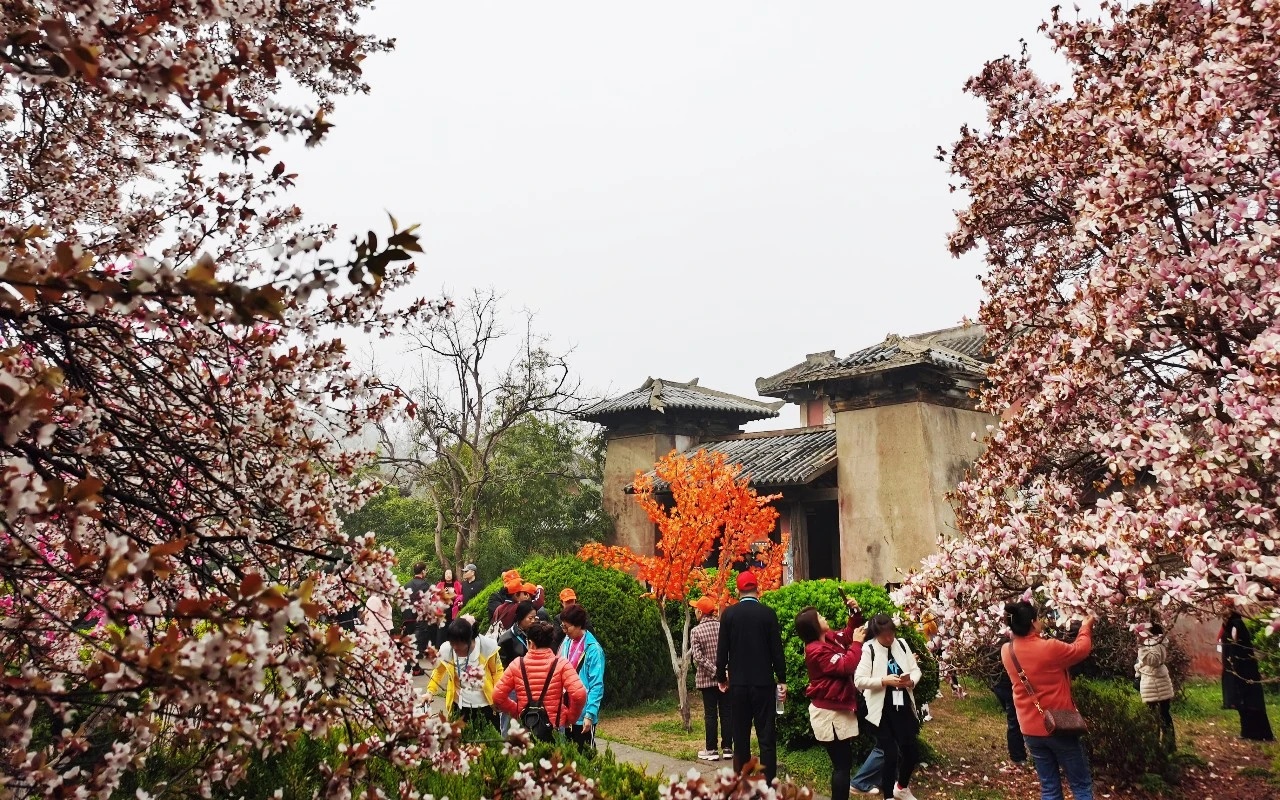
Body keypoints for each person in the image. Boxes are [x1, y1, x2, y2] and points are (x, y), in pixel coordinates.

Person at [1000, 602, 1095, 800]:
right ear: (1033, 623)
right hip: (1059, 725)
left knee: (1050, 786)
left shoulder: (1007, 651)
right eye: (1038, 618)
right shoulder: (1049, 648)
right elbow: (1081, 649)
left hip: (1030, 729)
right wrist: (1086, 626)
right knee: (1081, 784)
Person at [715, 571, 786, 783]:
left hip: (738, 684)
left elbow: (722, 651)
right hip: (763, 683)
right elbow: (777, 650)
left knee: (740, 736)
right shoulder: (768, 614)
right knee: (766, 737)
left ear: (738, 590)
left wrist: (721, 677)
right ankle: (768, 784)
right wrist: (781, 679)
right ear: (758, 589)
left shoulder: (729, 614)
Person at [797, 594, 866, 800]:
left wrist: (854, 613)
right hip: (829, 713)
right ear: (814, 627)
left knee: (843, 764)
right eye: (819, 617)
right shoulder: (816, 651)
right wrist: (857, 644)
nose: (824, 617)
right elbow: (846, 665)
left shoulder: (826, 639)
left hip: (836, 708)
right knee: (842, 766)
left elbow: (845, 636)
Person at [854, 614, 922, 800]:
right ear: (876, 635)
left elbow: (915, 669)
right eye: (885, 635)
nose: (889, 638)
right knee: (890, 753)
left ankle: (901, 787)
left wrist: (910, 682)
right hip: (881, 708)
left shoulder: (901, 644)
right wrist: (883, 680)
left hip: (902, 705)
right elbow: (859, 680)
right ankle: (888, 796)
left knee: (910, 750)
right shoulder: (869, 649)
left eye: (891, 633)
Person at [492, 620, 587, 742]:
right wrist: (570, 717)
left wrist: (516, 711)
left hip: (526, 726)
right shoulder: (561, 664)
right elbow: (579, 694)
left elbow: (497, 695)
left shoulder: (517, 664)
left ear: (530, 643)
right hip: (555, 727)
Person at [427, 616, 504, 731]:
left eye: (459, 644)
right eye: (452, 643)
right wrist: (430, 692)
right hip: (460, 707)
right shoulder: (447, 650)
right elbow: (438, 671)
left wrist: (498, 697)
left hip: (486, 706)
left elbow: (497, 672)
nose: (455, 648)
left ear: (469, 640)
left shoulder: (486, 648)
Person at [1221, 603, 1275, 741]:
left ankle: (1256, 733)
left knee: (1249, 702)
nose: (1224, 616)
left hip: (1242, 671)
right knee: (1243, 703)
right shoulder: (1229, 626)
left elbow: (1237, 647)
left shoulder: (1236, 625)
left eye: (1226, 614)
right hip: (1237, 670)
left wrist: (1234, 666)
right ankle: (1248, 732)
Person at [690, 596, 732, 762]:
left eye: (695, 609)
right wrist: (724, 672)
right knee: (727, 713)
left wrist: (715, 671)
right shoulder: (723, 627)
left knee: (710, 715)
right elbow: (730, 651)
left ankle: (711, 749)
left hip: (707, 680)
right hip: (726, 679)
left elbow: (698, 657)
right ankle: (728, 748)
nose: (695, 611)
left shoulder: (696, 631)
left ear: (700, 612)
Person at [558, 603, 604, 750]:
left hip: (583, 714)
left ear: (578, 625)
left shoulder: (593, 649)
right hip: (566, 712)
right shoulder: (566, 642)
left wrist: (590, 714)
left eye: (567, 627)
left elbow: (596, 684)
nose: (564, 631)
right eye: (562, 626)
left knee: (585, 758)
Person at [986, 636, 1027, 767]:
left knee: (1014, 720)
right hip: (1006, 685)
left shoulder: (1002, 642)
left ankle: (1018, 755)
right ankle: (1018, 756)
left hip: (1000, 685)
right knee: (1014, 720)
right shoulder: (1009, 643)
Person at [1135, 623, 1176, 752]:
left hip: (1155, 682)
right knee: (1162, 714)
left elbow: (1153, 660)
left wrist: (1141, 646)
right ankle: (1166, 746)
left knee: (1156, 716)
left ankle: (1157, 747)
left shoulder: (1153, 642)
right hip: (1156, 681)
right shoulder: (1156, 640)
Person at [403, 562, 431, 674]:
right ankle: (406, 670)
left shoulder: (406, 585)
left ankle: (416, 668)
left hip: (408, 618)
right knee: (414, 645)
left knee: (412, 642)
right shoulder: (425, 585)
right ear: (423, 571)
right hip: (419, 619)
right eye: (425, 570)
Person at [497, 600, 539, 668]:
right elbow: (503, 666)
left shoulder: (536, 632)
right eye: (530, 618)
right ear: (520, 617)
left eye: (535, 617)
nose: (533, 621)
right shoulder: (506, 639)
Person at [552, 587, 592, 653]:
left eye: (572, 601)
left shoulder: (581, 615)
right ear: (562, 603)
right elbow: (556, 638)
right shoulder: (558, 618)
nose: (570, 604)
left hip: (581, 649)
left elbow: (590, 632)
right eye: (567, 602)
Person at [433, 568, 464, 646]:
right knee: (441, 630)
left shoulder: (457, 584)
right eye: (446, 573)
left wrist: (454, 595)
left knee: (453, 628)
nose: (448, 575)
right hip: (442, 610)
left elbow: (461, 595)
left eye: (450, 573)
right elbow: (435, 597)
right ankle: (440, 647)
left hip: (453, 610)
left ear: (452, 575)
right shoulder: (440, 584)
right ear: (444, 575)